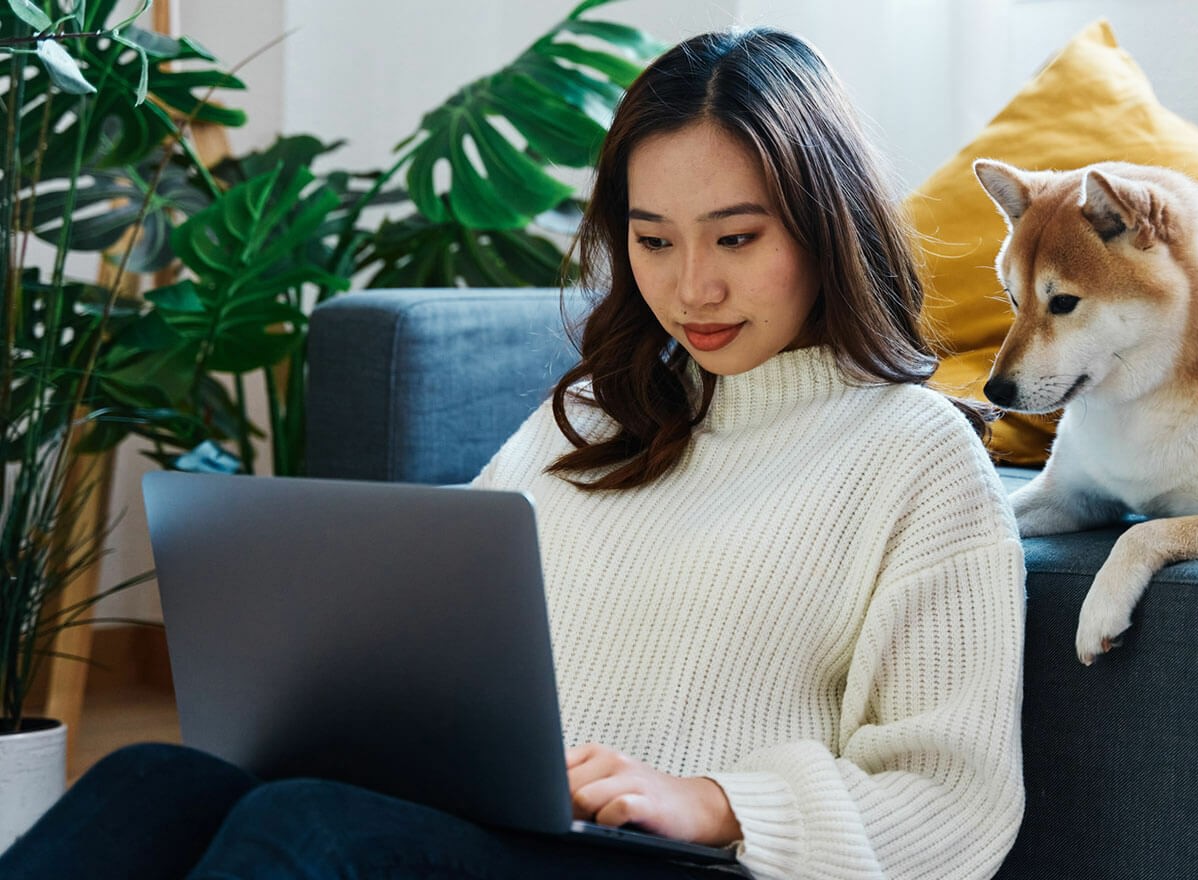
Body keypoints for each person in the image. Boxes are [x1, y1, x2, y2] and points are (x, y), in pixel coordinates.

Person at [0, 26, 1025, 880]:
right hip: (512, 827)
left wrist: (723, 803)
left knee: (314, 831)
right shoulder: (597, 411)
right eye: (654, 239)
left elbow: (958, 803)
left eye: (738, 238)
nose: (692, 288)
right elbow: (443, 636)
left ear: (824, 220)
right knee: (152, 778)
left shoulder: (913, 455)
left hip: (695, 866)